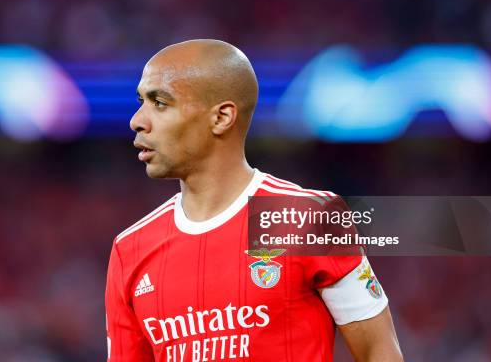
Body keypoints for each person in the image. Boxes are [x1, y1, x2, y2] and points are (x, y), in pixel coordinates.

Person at [105, 39, 403, 361]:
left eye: (159, 103)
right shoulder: (130, 249)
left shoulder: (308, 218)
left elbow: (379, 352)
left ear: (221, 117)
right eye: (141, 102)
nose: (137, 120)